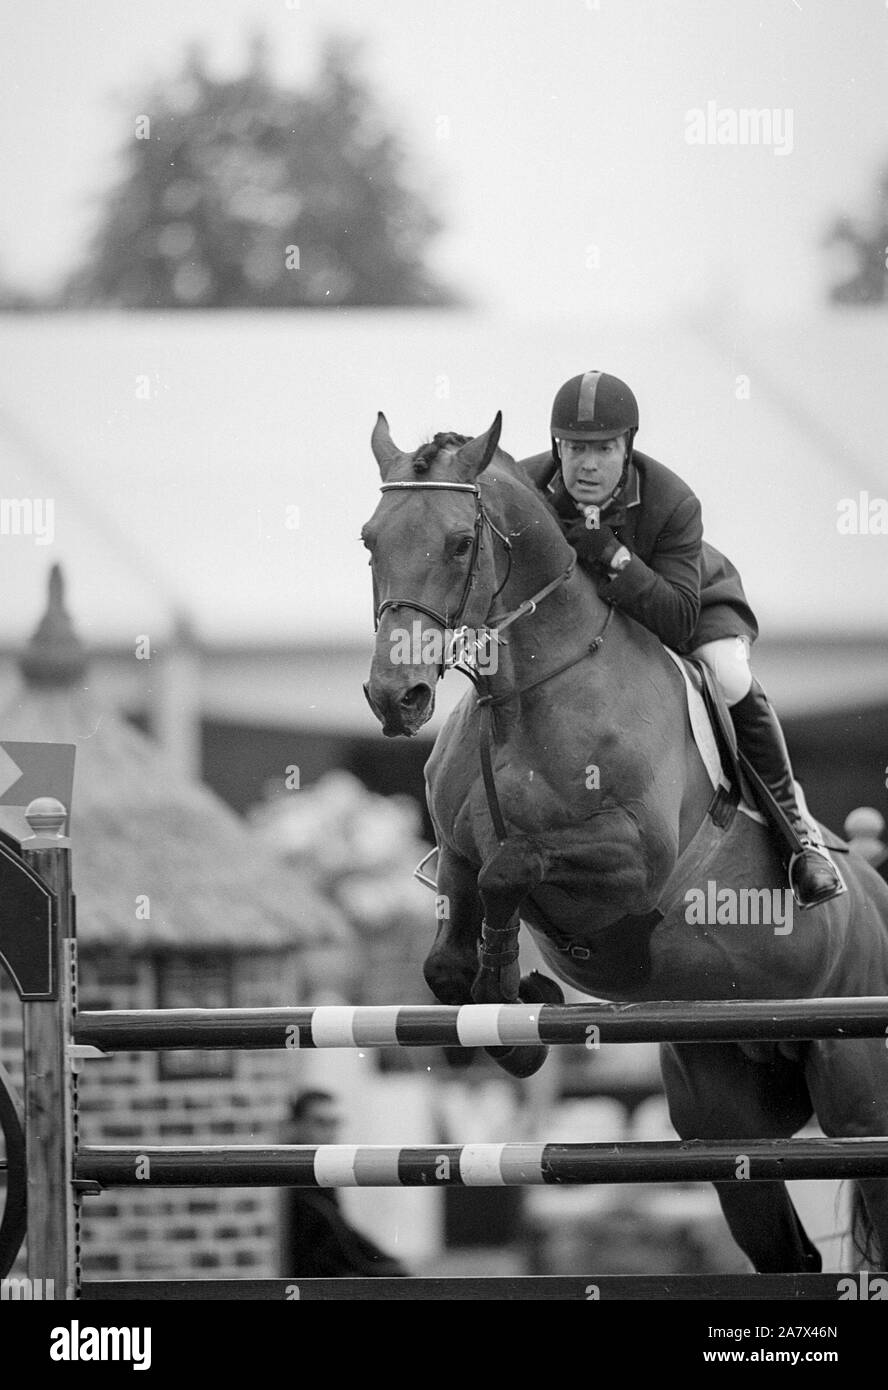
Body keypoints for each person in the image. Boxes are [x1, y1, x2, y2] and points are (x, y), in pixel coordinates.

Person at [519, 369, 843, 909]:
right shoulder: (527, 488)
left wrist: (613, 554)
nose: (588, 464)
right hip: (597, 622)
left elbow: (676, 619)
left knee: (729, 676)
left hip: (695, 604)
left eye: (603, 448)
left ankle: (799, 839)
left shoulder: (672, 500)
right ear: (557, 445)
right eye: (575, 448)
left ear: (628, 446)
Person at [279, 1089, 409, 1278]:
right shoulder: (297, 1176)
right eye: (321, 1123)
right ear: (296, 1126)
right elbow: (338, 1242)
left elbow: (342, 1233)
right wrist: (391, 1269)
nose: (330, 1132)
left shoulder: (322, 1169)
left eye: (335, 1123)